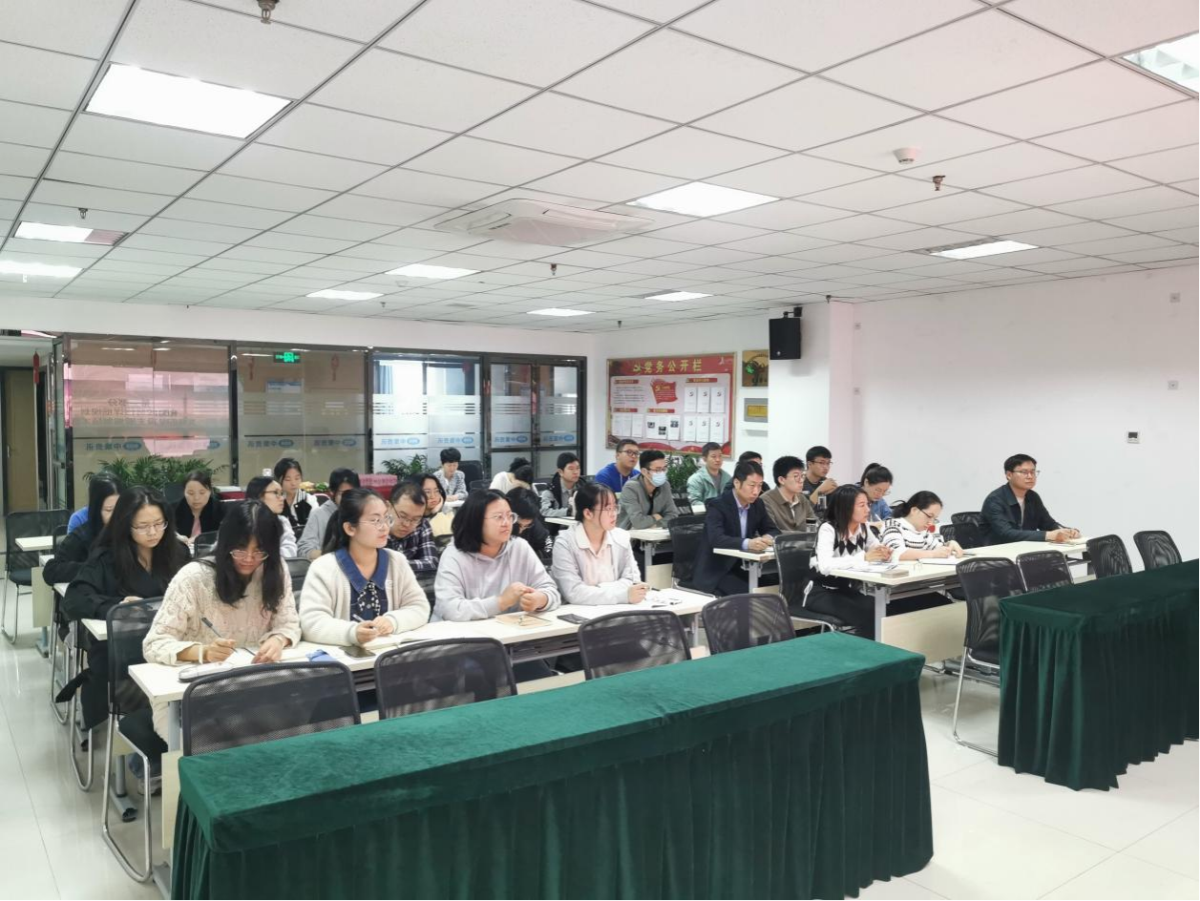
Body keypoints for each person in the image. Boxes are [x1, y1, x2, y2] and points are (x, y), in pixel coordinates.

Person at [143, 501, 302, 741]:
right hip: (190, 695)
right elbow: (154, 644)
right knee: (225, 744)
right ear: (226, 542)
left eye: (260, 551)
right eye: (240, 549)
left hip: (251, 687)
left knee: (294, 731)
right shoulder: (194, 577)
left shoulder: (275, 570)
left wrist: (279, 639)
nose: (249, 559)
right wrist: (203, 652)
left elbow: (288, 623)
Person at [63, 487, 189, 732]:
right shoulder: (106, 558)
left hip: (171, 644)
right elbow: (75, 599)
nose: (152, 532)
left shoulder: (178, 552)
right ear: (125, 524)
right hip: (123, 651)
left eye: (159, 524)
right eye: (142, 526)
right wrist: (117, 606)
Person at [301, 489, 430, 646]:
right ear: (350, 528)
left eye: (386, 518)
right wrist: (351, 632)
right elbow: (311, 622)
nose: (384, 527)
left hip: (388, 654)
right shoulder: (323, 568)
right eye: (375, 521)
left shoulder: (396, 561)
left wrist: (393, 621)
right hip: (344, 658)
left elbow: (419, 607)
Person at [434, 489, 560, 622]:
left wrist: (541, 599)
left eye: (510, 516)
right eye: (498, 517)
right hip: (464, 633)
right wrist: (500, 602)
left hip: (511, 632)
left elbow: (551, 590)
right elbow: (450, 610)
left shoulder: (519, 547)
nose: (506, 523)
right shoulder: (454, 555)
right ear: (476, 521)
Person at [806, 485, 892, 640]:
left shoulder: (864, 527)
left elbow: (875, 548)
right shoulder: (828, 529)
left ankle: (878, 647)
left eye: (868, 505)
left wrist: (883, 552)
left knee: (882, 607)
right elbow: (825, 566)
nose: (867, 510)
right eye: (862, 505)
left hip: (847, 590)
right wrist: (864, 557)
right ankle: (865, 651)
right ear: (845, 508)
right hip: (820, 592)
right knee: (866, 613)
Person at [551, 482, 647, 606]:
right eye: (608, 509)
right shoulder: (565, 543)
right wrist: (622, 595)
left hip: (616, 610)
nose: (614, 514)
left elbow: (633, 581)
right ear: (588, 513)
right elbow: (573, 592)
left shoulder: (621, 537)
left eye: (615, 507)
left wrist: (596, 590)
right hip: (578, 612)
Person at [692, 461, 779, 596]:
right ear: (737, 483)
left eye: (760, 485)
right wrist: (748, 543)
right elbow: (716, 539)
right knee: (752, 594)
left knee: (776, 586)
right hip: (717, 570)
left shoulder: (757, 504)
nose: (756, 491)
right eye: (752, 485)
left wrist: (767, 538)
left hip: (744, 566)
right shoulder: (718, 505)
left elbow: (773, 530)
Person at [981, 454, 1079, 544]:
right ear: (1009, 475)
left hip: (1025, 550)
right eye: (1024, 472)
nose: (1030, 476)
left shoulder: (1033, 497)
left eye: (1033, 472)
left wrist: (1067, 532)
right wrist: (1049, 535)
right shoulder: (995, 500)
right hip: (996, 553)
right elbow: (1006, 533)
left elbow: (1048, 524)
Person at [44, 478, 119, 585]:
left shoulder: (128, 530)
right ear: (96, 510)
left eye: (119, 508)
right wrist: (93, 568)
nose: (116, 515)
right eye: (109, 510)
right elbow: (51, 571)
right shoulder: (82, 535)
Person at [881, 491, 965, 561]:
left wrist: (950, 544)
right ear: (914, 510)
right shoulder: (892, 525)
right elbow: (895, 553)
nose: (931, 522)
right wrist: (932, 554)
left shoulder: (923, 532)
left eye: (934, 519)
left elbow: (937, 547)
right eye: (929, 516)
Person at [297, 467, 361, 560]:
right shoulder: (319, 514)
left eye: (352, 493)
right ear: (332, 491)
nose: (349, 498)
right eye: (344, 493)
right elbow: (304, 549)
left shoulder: (362, 513)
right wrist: (331, 557)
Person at [618, 449, 679, 530]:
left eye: (664, 469)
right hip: (630, 534)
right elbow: (638, 522)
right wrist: (656, 517)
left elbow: (673, 515)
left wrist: (657, 523)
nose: (662, 473)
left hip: (656, 533)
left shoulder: (665, 485)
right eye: (657, 470)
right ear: (644, 471)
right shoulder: (631, 488)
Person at [385, 481, 438, 573]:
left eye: (415, 519)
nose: (407, 524)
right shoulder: (375, 528)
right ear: (388, 507)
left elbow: (432, 562)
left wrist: (396, 565)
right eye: (403, 516)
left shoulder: (422, 524)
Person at [245, 476, 298, 558]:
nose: (282, 498)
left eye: (282, 493)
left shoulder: (282, 521)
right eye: (276, 493)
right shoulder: (239, 519)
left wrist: (261, 555)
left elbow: (290, 551)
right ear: (259, 495)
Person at [761, 455, 816, 532]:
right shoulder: (766, 501)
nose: (801, 480)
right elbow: (771, 532)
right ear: (781, 480)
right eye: (796, 476)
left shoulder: (802, 499)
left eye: (803, 476)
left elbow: (813, 524)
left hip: (806, 540)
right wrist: (803, 536)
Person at [172, 470, 224, 543]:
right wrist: (175, 537)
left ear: (210, 491)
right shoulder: (173, 509)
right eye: (191, 493)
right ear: (184, 492)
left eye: (202, 493)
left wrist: (201, 539)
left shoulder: (220, 509)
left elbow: (226, 533)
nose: (196, 498)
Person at [506, 487, 554, 560]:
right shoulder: (496, 526)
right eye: (517, 525)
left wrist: (533, 556)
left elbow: (548, 543)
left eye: (526, 526)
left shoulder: (533, 523)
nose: (520, 531)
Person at [274, 457, 319, 534]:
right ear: (278, 480)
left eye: (297, 478)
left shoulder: (308, 500)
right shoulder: (274, 500)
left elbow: (316, 526)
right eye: (288, 479)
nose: (293, 483)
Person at [540, 451, 582, 519]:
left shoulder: (583, 487)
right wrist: (568, 512)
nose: (576, 472)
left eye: (578, 468)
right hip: (556, 525)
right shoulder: (551, 489)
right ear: (560, 472)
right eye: (571, 469)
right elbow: (544, 511)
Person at [802, 445, 838, 522]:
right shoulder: (799, 482)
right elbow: (800, 513)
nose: (826, 467)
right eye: (821, 463)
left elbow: (825, 511)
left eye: (828, 463)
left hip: (822, 525)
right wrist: (820, 491)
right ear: (809, 464)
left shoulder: (826, 482)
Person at [417, 473, 455, 539]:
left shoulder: (447, 511)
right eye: (427, 492)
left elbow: (451, 536)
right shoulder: (412, 519)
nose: (433, 496)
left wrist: (436, 512)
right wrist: (435, 513)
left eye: (436, 491)